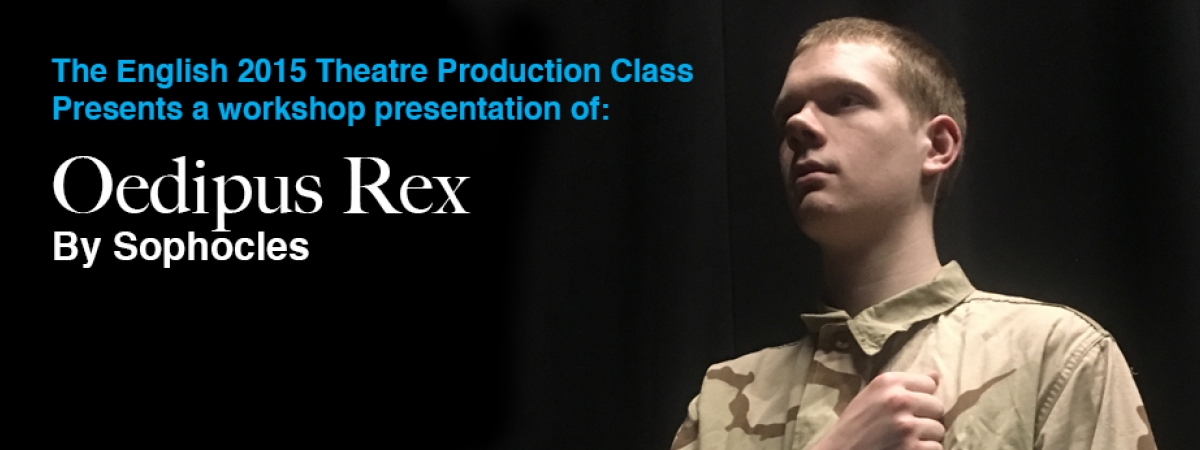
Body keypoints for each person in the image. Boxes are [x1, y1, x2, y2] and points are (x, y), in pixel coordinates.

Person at [670, 17, 1156, 450]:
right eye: (787, 115)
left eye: (845, 101)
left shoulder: (1054, 356)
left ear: (937, 145)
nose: (799, 126)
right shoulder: (724, 396)